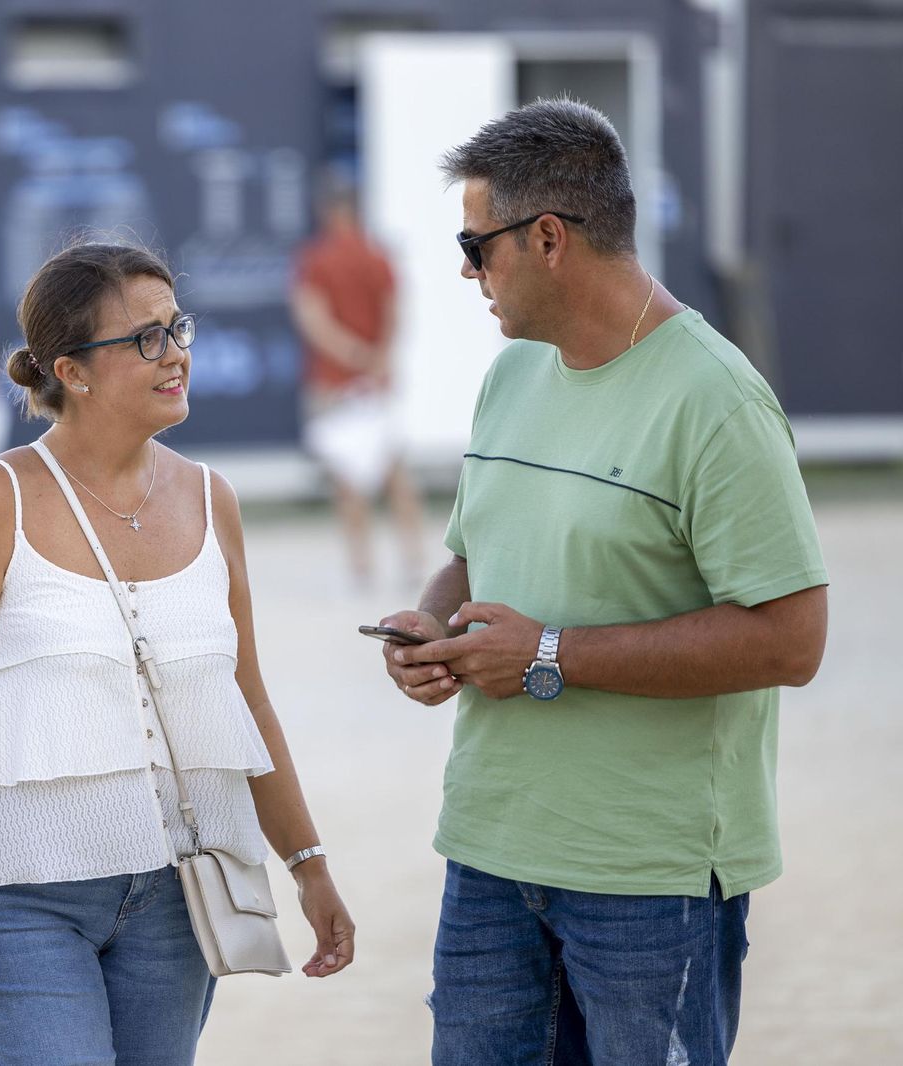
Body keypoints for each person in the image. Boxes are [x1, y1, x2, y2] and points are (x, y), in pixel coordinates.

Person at [378, 99, 828, 1065]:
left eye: (475, 243)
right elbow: (471, 552)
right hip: (490, 853)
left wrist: (545, 655)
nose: (467, 270)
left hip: (649, 876)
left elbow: (792, 641)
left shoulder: (717, 399)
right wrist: (430, 620)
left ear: (547, 238)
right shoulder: (513, 374)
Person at [0, 240, 355, 1065]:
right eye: (146, 338)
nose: (175, 354)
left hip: (181, 892)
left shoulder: (214, 500)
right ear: (70, 371)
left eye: (178, 329)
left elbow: (248, 699)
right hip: (17, 896)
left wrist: (308, 864)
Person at [290, 175, 424, 589]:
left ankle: (361, 569)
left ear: (327, 211)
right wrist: (378, 359)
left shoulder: (315, 259)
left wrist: (353, 357)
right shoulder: (377, 255)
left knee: (348, 481)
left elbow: (314, 321)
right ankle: (413, 562)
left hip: (334, 385)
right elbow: (395, 312)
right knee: (395, 473)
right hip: (375, 383)